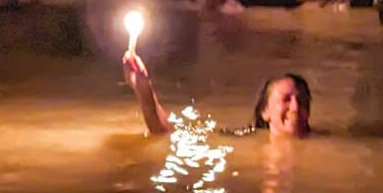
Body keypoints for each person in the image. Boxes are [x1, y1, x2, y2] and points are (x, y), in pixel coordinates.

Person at [123, 51, 311, 138]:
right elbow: (164, 132)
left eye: (301, 101)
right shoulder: (244, 141)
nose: (295, 107)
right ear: (265, 112)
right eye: (286, 99)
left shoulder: (326, 143)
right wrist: (144, 89)